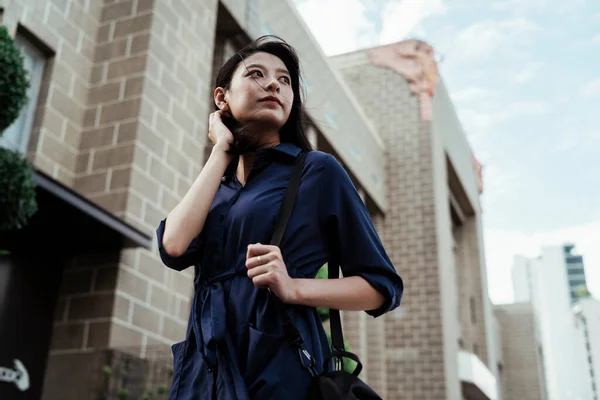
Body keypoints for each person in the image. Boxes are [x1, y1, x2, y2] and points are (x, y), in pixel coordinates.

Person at [156, 35, 403, 400]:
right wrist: (221, 151)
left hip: (280, 366)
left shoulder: (317, 172)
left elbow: (382, 288)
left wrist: (293, 287)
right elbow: (174, 246)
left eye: (285, 80)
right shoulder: (216, 187)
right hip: (206, 369)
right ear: (222, 97)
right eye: (256, 74)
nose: (274, 83)